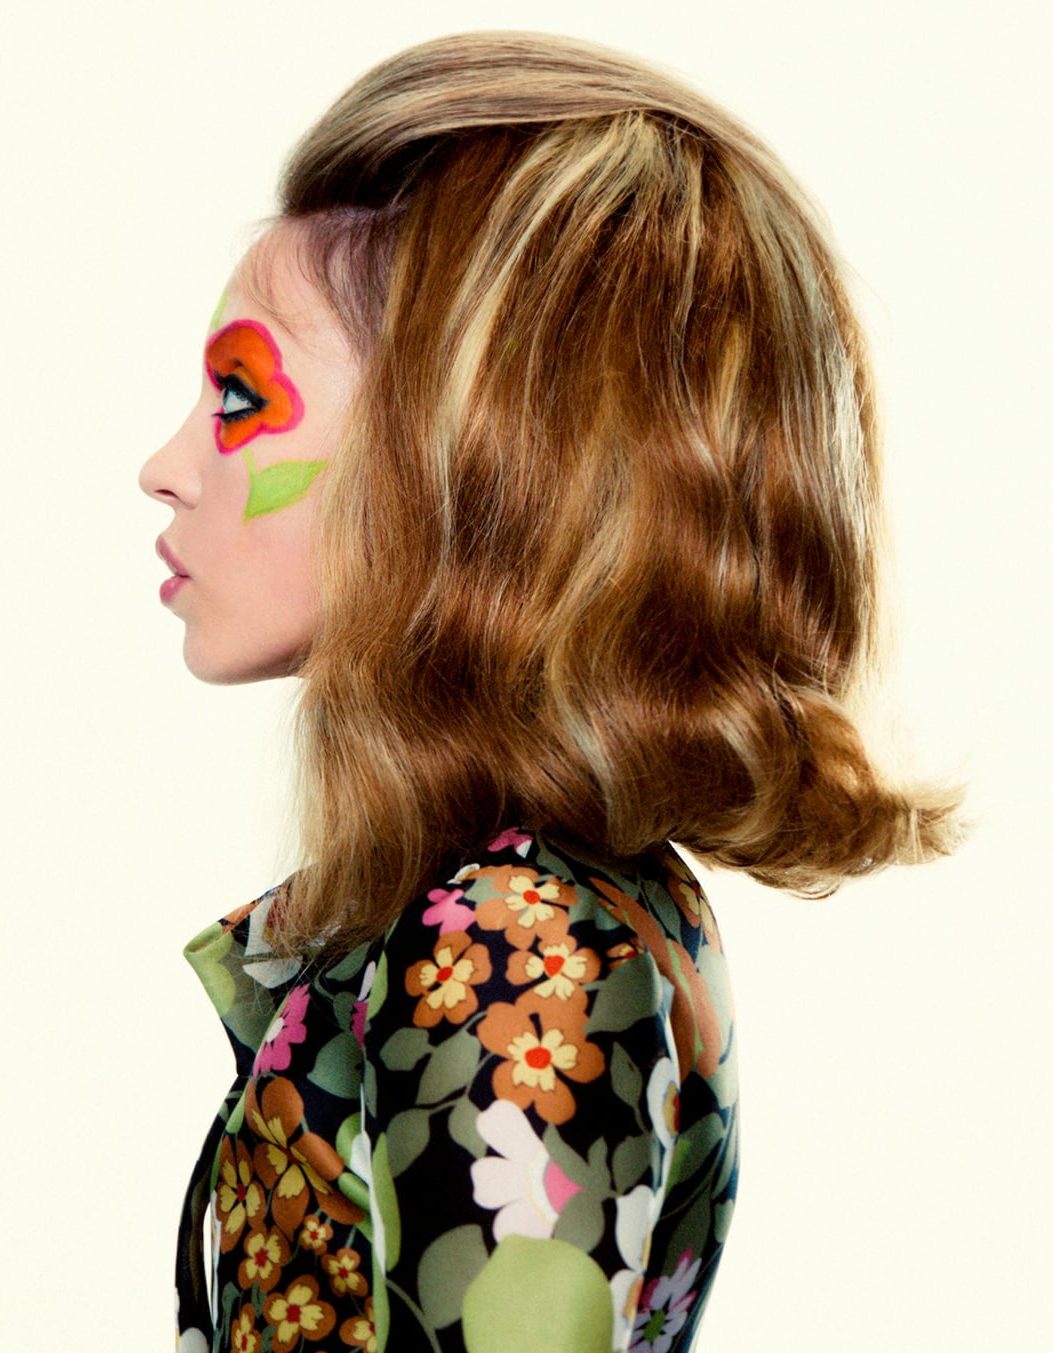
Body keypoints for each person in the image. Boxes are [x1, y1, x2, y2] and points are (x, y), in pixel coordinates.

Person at [140, 31, 959, 1353]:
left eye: (239, 395)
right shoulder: (554, 905)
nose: (167, 465)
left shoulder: (513, 944)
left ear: (469, 446)